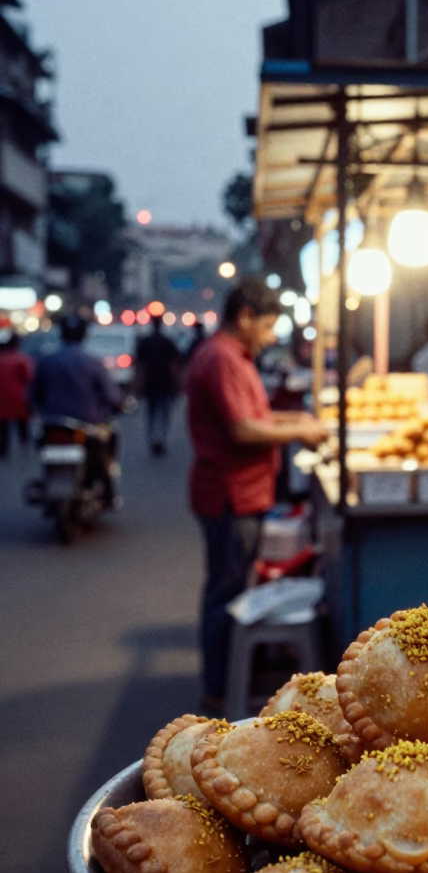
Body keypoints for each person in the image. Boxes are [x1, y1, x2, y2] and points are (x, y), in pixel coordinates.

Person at [186, 276, 330, 711]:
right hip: (230, 494)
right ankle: (219, 688)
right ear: (244, 316)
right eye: (267, 326)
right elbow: (244, 429)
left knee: (229, 586)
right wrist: (299, 430)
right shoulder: (222, 359)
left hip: (238, 491)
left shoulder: (235, 357)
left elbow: (261, 416)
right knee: (226, 593)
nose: (271, 337)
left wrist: (296, 423)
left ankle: (227, 676)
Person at [30, 313, 124, 504]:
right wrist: (119, 404)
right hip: (87, 424)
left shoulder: (47, 361)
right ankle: (107, 490)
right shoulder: (92, 362)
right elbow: (112, 395)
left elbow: (33, 396)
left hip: (52, 422)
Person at [134, 314, 182, 456]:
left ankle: (154, 438)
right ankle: (159, 438)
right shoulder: (167, 342)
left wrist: (138, 384)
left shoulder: (146, 342)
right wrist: (177, 382)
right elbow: (174, 365)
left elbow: (140, 367)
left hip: (152, 383)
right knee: (163, 412)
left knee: (152, 412)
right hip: (164, 382)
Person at [0, 332, 34, 457]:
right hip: (19, 398)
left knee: (4, 428)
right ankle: (25, 449)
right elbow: (29, 378)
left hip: (3, 400)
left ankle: (4, 450)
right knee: (23, 426)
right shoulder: (21, 359)